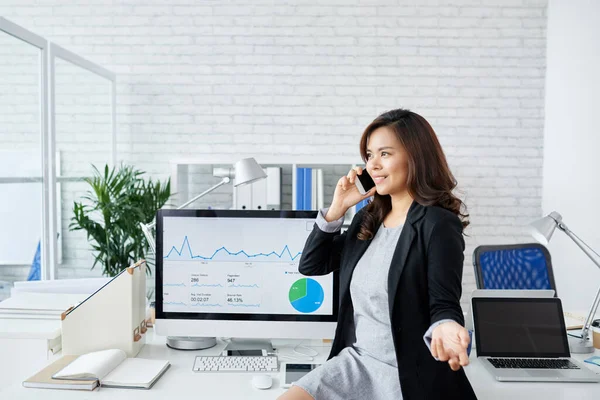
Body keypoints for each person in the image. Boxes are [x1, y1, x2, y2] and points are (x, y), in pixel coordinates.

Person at [277, 108, 477, 400]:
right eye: (369, 155)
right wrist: (337, 210)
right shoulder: (366, 220)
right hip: (357, 362)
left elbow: (443, 301)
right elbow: (312, 265)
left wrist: (446, 326)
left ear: (416, 155)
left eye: (385, 153)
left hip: (407, 374)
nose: (373, 165)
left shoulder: (437, 224)